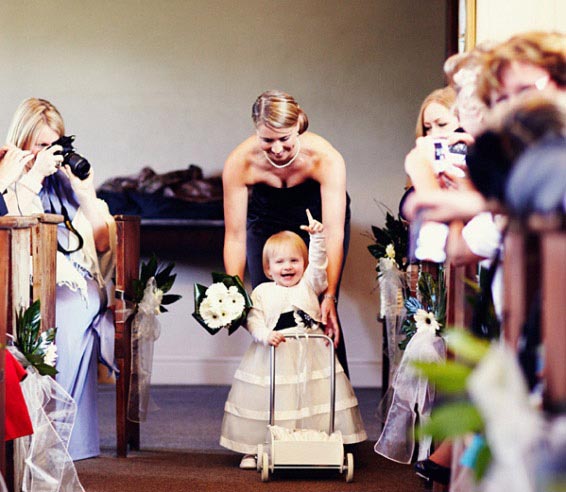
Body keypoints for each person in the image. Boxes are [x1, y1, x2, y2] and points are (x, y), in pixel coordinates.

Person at [4, 97, 116, 461]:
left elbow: (101, 242)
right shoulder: (12, 179)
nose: (51, 154)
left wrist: (86, 193)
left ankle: (67, 440)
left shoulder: (65, 184)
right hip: (28, 281)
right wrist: (31, 178)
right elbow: (22, 237)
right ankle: (52, 438)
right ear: (23, 145)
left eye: (56, 144)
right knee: (61, 313)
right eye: (41, 145)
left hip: (77, 283)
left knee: (72, 309)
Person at [220, 210, 366, 469]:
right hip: (275, 351)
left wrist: (318, 239)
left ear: (303, 264)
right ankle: (256, 448)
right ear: (267, 268)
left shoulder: (309, 285)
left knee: (313, 396)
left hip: (309, 350)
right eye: (279, 262)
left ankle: (318, 441)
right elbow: (253, 320)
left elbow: (319, 267)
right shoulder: (262, 292)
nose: (287, 267)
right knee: (270, 398)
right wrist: (264, 335)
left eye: (294, 261)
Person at [222, 90, 350, 374]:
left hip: (317, 223)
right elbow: (235, 236)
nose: (277, 149)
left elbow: (333, 233)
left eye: (284, 139)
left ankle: (325, 398)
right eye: (267, 140)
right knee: (269, 305)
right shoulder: (239, 162)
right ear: (256, 131)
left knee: (317, 308)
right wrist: (232, 292)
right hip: (264, 218)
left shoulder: (326, 158)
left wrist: (330, 296)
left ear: (298, 129)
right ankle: (275, 396)